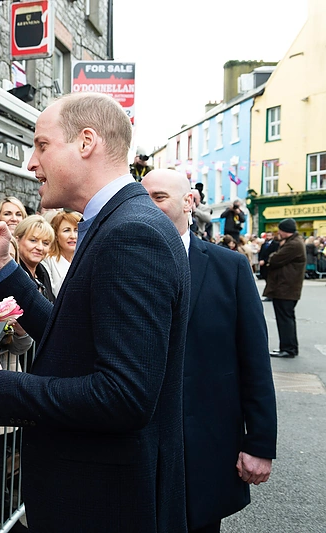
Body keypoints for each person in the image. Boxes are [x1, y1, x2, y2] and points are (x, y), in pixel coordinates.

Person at [0, 93, 190, 532]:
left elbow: (125, 396)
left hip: (103, 503)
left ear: (86, 141)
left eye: (41, 145)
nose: (30, 163)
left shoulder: (130, 234)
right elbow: (72, 333)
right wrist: (2, 267)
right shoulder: (118, 223)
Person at [142, 169, 277, 533]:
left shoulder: (228, 267)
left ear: (189, 203)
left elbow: (254, 360)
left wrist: (260, 443)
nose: (148, 207)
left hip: (203, 447)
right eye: (143, 198)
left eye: (158, 197)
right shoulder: (126, 260)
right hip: (138, 448)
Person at [264, 218, 306, 358]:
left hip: (286, 288)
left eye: (280, 230)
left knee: (285, 319)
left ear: (285, 231)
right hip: (286, 287)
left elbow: (275, 259)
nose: (278, 232)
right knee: (286, 318)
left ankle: (288, 348)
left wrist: (271, 257)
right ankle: (288, 347)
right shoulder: (293, 242)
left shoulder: (293, 244)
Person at [13, 215, 55, 303]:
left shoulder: (43, 272)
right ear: (17, 240)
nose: (40, 247)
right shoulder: (13, 273)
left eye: (45, 243)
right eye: (33, 240)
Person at [41, 209, 80, 297]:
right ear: (56, 236)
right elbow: (52, 292)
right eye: (66, 230)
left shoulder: (84, 260)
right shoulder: (47, 259)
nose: (73, 236)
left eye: (76, 230)